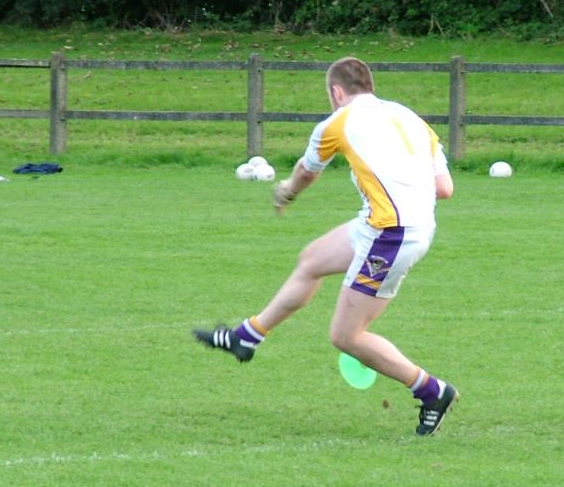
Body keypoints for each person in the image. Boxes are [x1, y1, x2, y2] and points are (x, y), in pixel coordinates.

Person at [195, 56, 459, 435]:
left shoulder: (337, 122)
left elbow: (305, 172)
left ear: (336, 92)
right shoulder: (409, 117)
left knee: (346, 336)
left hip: (391, 235)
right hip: (393, 225)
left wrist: (286, 193)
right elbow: (444, 189)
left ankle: (432, 391)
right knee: (312, 260)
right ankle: (246, 337)